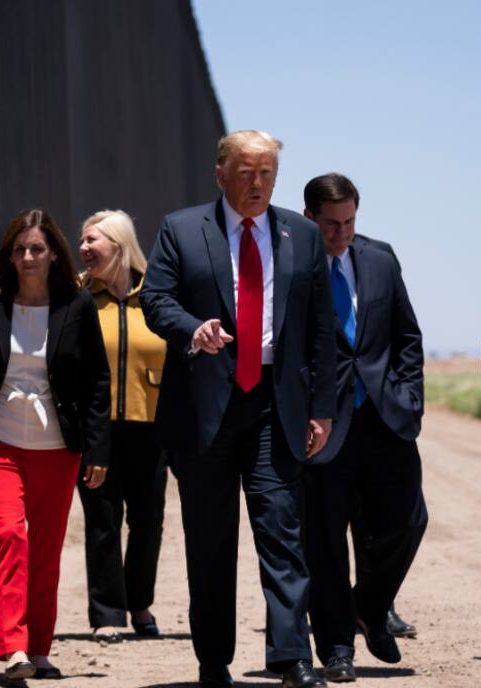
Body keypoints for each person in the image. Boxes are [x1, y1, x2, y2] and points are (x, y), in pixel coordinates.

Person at [140, 130, 336, 688]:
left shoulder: (301, 233)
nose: (257, 184)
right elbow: (155, 299)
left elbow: (321, 327)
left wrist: (322, 408)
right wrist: (191, 328)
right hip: (205, 405)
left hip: (276, 402)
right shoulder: (181, 229)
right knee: (210, 539)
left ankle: (292, 657)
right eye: (246, 173)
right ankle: (213, 661)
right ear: (220, 174)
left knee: (281, 529)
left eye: (267, 173)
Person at [0, 209, 111, 681]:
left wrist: (98, 449)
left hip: (58, 446)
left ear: (54, 254)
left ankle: (40, 649)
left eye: (37, 249)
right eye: (19, 250)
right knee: (9, 534)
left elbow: (97, 379)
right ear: (9, 255)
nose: (28, 258)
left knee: (46, 550)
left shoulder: (77, 304)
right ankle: (13, 648)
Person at [300, 174, 427, 682]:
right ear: (309, 218)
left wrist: (409, 396)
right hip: (322, 423)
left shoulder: (380, 258)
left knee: (408, 520)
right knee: (325, 540)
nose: (341, 233)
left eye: (350, 222)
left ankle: (369, 608)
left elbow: (407, 335)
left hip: (383, 415)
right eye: (331, 224)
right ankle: (337, 649)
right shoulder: (293, 267)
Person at [76, 210, 169, 643]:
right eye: (82, 241)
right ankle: (108, 613)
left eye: (92, 240)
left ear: (119, 245)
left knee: (148, 522)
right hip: (95, 428)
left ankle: (141, 603)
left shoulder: (157, 293)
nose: (83, 249)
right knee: (103, 520)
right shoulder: (79, 296)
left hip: (151, 425)